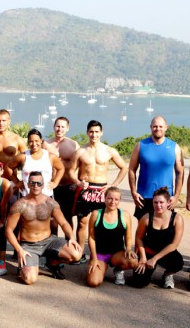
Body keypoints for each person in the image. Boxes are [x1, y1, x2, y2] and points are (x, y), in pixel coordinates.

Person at [6, 171, 82, 284]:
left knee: (76, 254)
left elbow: (64, 223)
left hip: (48, 241)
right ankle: (23, 267)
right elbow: (9, 230)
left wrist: (71, 237)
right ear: (28, 184)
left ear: (43, 184)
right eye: (32, 183)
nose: (35, 186)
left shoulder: (50, 203)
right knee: (29, 279)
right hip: (29, 245)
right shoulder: (19, 205)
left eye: (38, 183)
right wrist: (19, 250)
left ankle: (51, 263)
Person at [69, 120, 128, 263]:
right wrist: (77, 182)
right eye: (91, 132)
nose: (94, 134)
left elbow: (124, 168)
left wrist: (113, 185)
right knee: (82, 222)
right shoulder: (81, 151)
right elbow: (71, 170)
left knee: (102, 223)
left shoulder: (109, 151)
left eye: (96, 132)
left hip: (102, 190)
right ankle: (80, 253)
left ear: (101, 133)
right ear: (87, 132)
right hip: (86, 189)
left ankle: (101, 252)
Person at [128, 116, 184, 220]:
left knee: (165, 232)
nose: (157, 128)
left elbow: (180, 173)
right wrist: (133, 192)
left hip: (166, 198)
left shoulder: (175, 147)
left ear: (166, 127)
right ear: (150, 127)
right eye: (155, 126)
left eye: (160, 126)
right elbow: (131, 169)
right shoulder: (140, 145)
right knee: (142, 232)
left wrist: (176, 196)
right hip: (143, 197)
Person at [133, 187, 185, 289]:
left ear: (168, 202)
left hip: (166, 253)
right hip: (149, 252)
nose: (158, 205)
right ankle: (147, 272)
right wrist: (143, 257)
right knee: (139, 282)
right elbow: (139, 238)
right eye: (155, 202)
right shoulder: (146, 217)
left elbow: (174, 244)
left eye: (161, 202)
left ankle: (168, 274)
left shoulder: (177, 218)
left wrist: (154, 259)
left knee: (178, 263)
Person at [86, 187, 137, 287]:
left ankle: (118, 270)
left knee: (134, 261)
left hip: (117, 254)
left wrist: (129, 249)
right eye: (110, 198)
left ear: (119, 200)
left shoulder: (125, 215)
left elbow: (128, 237)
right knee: (93, 282)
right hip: (100, 254)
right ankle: (102, 268)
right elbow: (91, 238)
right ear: (104, 198)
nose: (113, 202)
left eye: (116, 199)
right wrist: (94, 258)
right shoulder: (96, 214)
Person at [44, 117, 80, 234]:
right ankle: (53, 244)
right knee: (52, 217)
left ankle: (68, 242)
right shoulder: (46, 144)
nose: (60, 129)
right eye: (57, 126)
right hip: (51, 186)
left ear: (67, 128)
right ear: (54, 127)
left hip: (68, 186)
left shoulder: (73, 145)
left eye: (63, 127)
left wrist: (77, 181)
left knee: (67, 217)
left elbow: (80, 164)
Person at [7, 128, 64, 197]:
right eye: (31, 141)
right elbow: (8, 167)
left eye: (36, 141)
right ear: (28, 142)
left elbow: (61, 168)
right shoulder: (23, 156)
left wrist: (55, 182)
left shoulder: (50, 156)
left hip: (46, 196)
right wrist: (17, 182)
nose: (34, 144)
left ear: (41, 141)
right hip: (26, 196)